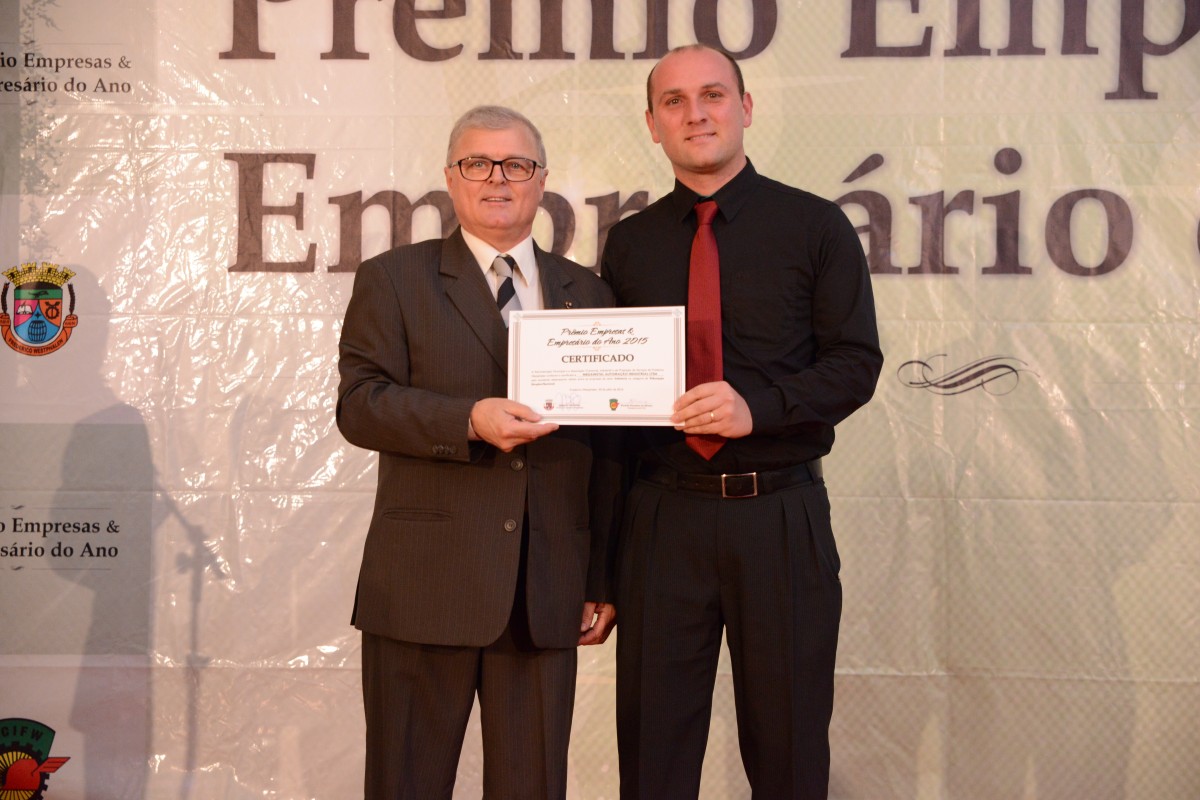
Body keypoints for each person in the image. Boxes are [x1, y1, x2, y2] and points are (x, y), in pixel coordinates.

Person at [599, 46, 883, 799]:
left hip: (779, 517)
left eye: (713, 95)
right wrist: (599, 567)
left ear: (746, 108)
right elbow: (610, 409)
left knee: (788, 754)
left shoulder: (816, 226)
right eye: (674, 101)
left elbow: (856, 363)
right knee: (653, 758)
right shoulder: (629, 243)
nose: (696, 114)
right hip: (660, 519)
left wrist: (756, 409)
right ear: (653, 124)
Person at [337, 105, 619, 799]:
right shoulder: (394, 278)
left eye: (516, 165)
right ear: (450, 178)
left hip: (543, 592)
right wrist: (467, 419)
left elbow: (610, 449)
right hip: (423, 586)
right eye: (478, 164)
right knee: (405, 784)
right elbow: (360, 404)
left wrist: (601, 575)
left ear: (541, 181)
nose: (498, 178)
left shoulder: (589, 292)